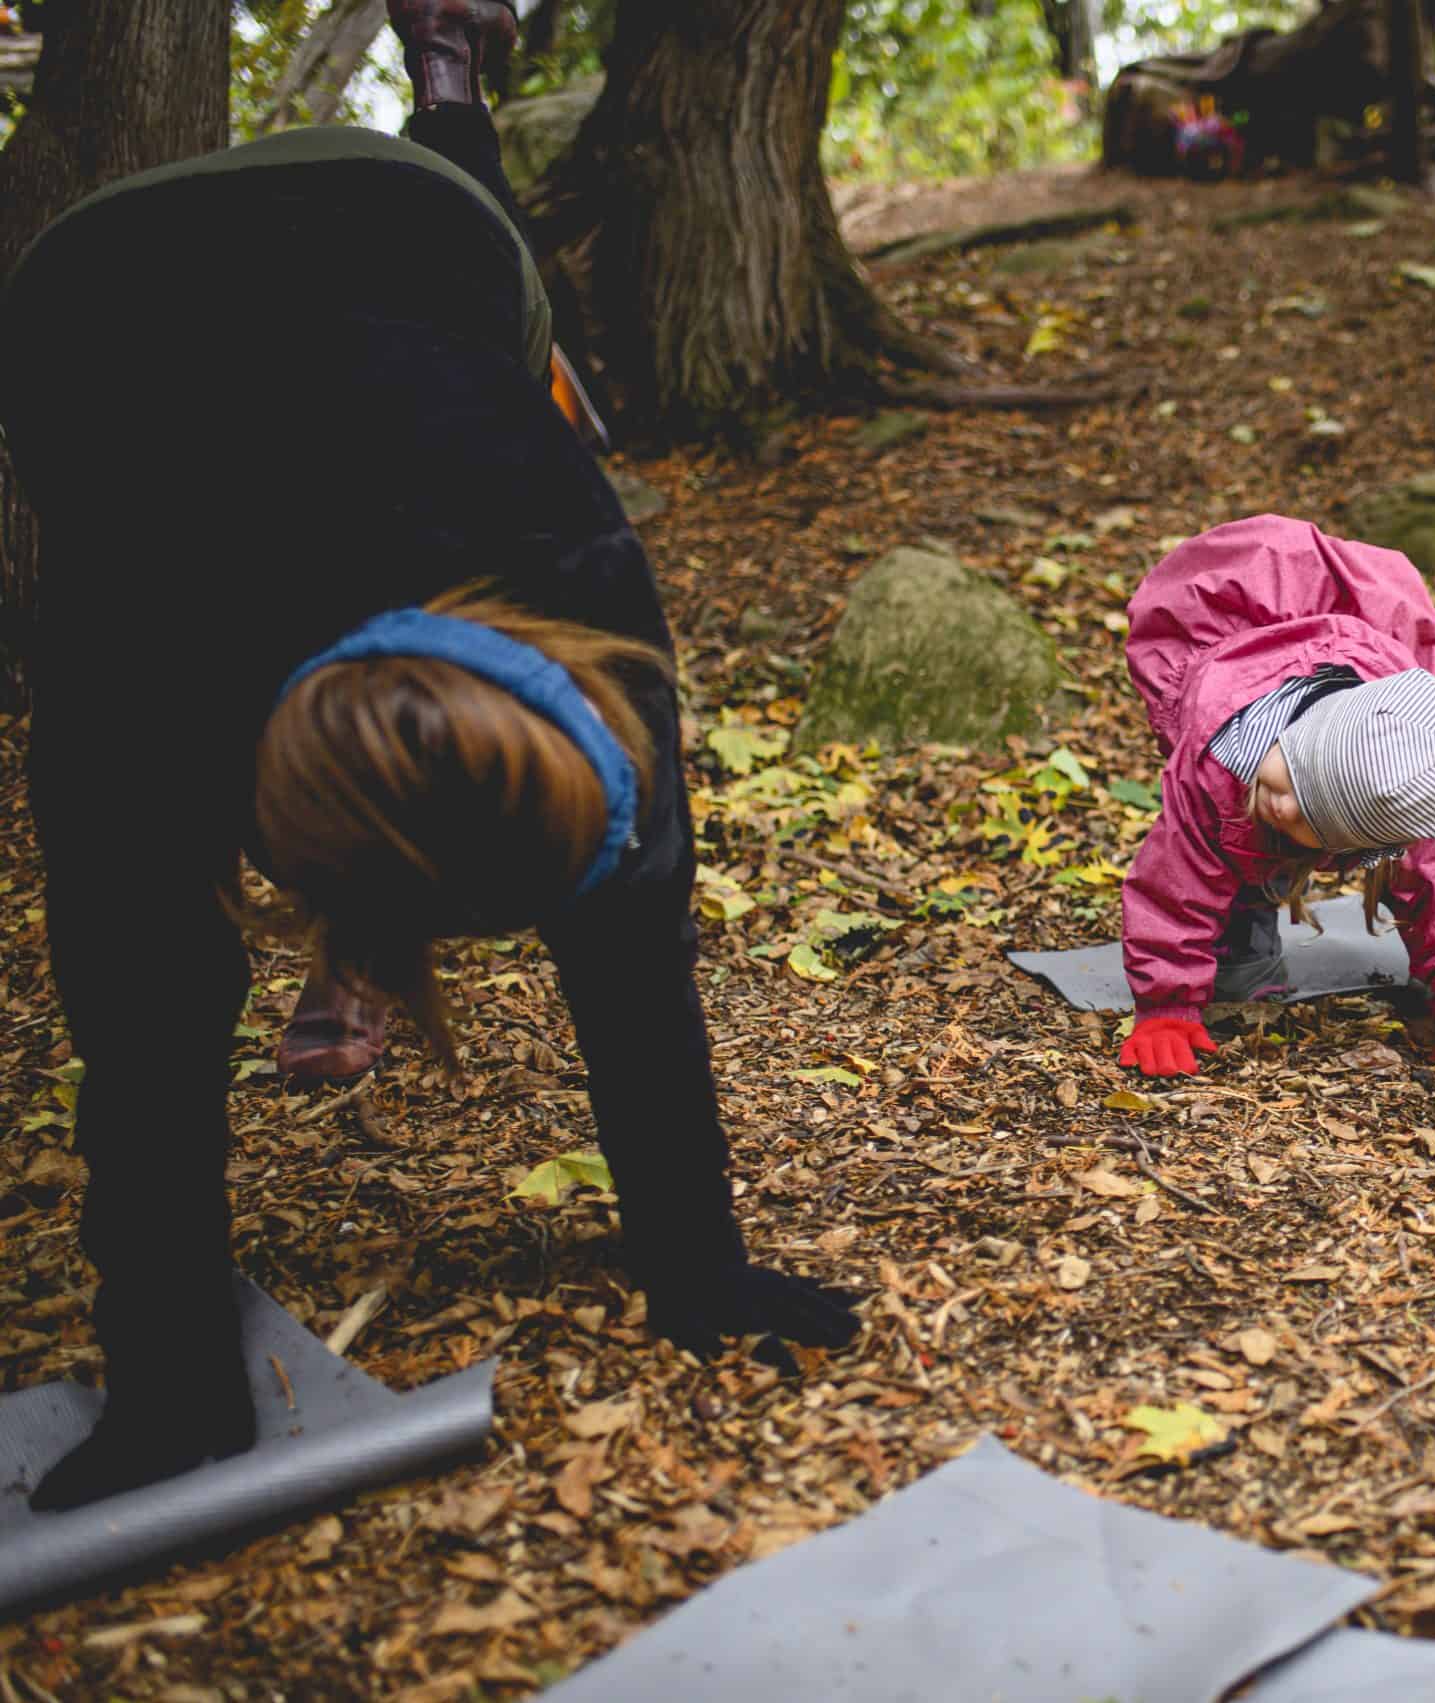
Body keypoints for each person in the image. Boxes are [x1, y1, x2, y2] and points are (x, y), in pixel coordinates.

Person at [0, 0, 850, 1511]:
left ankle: (449, 75)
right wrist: (170, 1382)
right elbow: (138, 1005)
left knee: (519, 327)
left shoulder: (591, 606)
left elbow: (638, 963)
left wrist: (701, 1270)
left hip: (426, 239)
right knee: (150, 951)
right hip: (93, 303)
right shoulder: (133, 641)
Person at [1116, 515, 1435, 1089]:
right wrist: (1168, 1004)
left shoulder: (1407, 787)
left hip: (1367, 705)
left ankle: (1431, 963)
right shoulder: (1213, 766)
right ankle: (1243, 930)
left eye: (1311, 815)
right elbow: (1175, 882)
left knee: (1421, 832)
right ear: (1297, 737)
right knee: (1246, 835)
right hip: (1231, 635)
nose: (1285, 803)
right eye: (1291, 776)